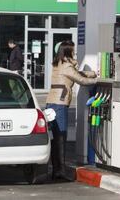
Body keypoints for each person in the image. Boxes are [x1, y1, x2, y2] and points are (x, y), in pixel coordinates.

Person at [46, 40, 97, 180]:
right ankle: (60, 172)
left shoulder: (58, 63)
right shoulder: (67, 66)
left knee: (56, 137)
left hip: (52, 102)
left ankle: (56, 170)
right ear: (68, 51)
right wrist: (98, 79)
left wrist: (93, 73)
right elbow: (82, 80)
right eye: (73, 50)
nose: (75, 52)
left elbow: (77, 73)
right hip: (59, 104)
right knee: (61, 137)